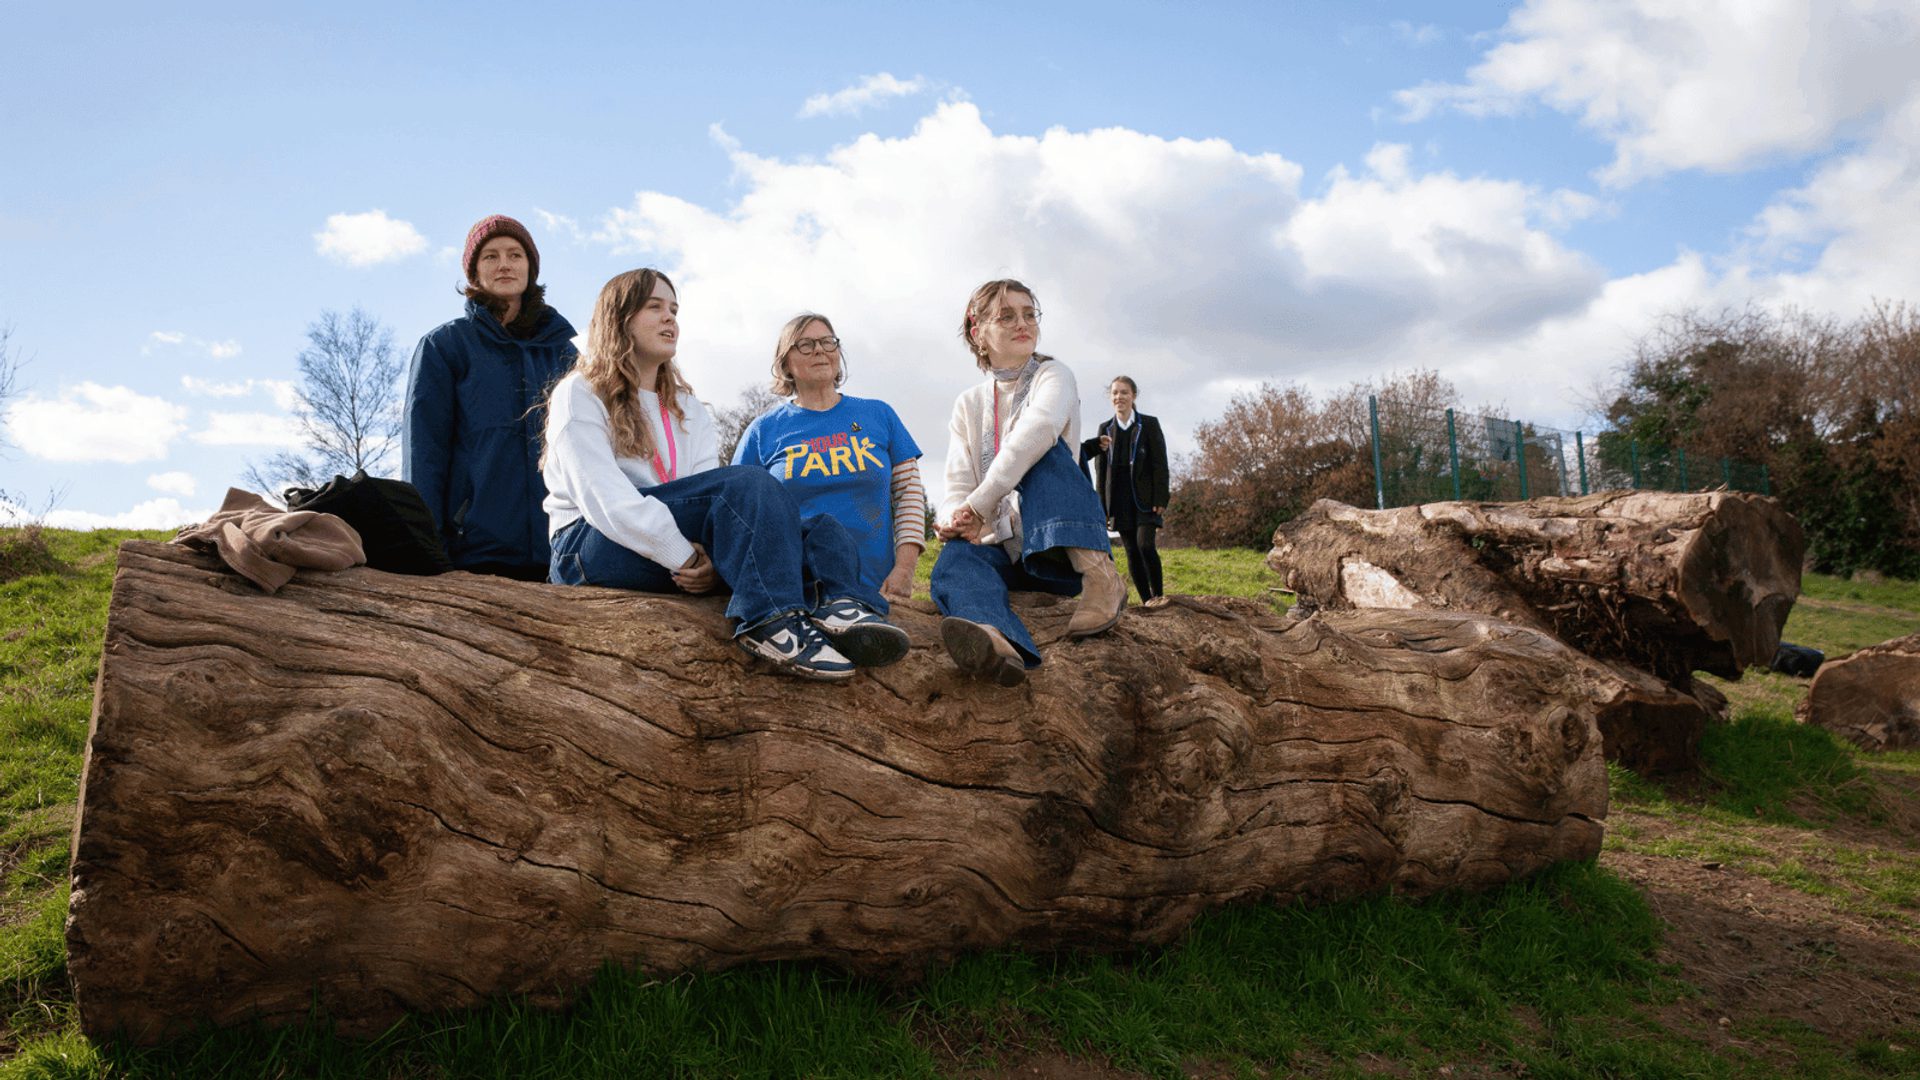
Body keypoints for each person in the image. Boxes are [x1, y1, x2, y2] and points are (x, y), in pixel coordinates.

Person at [541, 268, 908, 681]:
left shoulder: (687, 406)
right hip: (589, 545)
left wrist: (714, 560)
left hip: (674, 545)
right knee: (749, 485)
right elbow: (604, 501)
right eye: (655, 307)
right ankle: (770, 621)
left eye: (674, 310)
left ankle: (840, 607)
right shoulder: (579, 392)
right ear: (618, 318)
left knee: (820, 528)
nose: (670, 319)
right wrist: (685, 556)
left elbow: (703, 498)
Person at [930, 279, 1127, 686]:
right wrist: (955, 518)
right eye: (1006, 316)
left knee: (1043, 453)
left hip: (1054, 548)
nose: (1023, 323)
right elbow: (956, 483)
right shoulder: (968, 403)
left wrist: (979, 505)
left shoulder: (1054, 375)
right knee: (955, 561)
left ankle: (1101, 577)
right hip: (999, 552)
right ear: (977, 332)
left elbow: (1035, 433)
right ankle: (993, 640)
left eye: (1029, 314)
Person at [403, 214, 578, 580]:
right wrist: (427, 549)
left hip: (562, 550)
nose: (504, 265)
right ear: (473, 272)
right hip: (474, 553)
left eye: (515, 255)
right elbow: (424, 453)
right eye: (490, 256)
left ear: (531, 266)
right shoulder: (444, 346)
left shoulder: (566, 352)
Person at [732, 313, 925, 603]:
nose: (820, 350)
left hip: (875, 588)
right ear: (785, 363)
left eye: (827, 342)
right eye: (806, 345)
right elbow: (736, 510)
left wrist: (905, 568)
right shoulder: (763, 431)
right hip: (797, 587)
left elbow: (908, 493)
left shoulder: (879, 414)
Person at [1080, 375, 1169, 602]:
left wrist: (1161, 497)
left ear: (1134, 396)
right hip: (1118, 501)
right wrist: (1103, 508)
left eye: (1124, 392)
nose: (1119, 397)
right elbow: (1101, 473)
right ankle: (1147, 600)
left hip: (1146, 499)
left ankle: (1159, 596)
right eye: (1115, 393)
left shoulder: (1149, 425)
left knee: (1145, 545)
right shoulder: (1105, 429)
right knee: (1131, 551)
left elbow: (1160, 464)